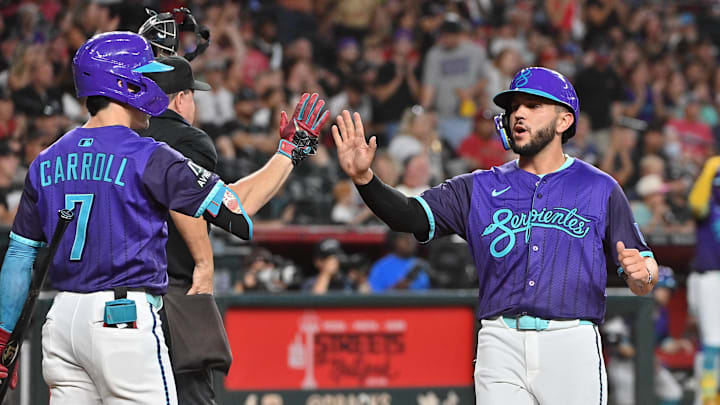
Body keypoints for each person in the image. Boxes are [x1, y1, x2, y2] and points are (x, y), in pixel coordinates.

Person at [0, 31, 329, 404]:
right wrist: (290, 151)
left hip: (61, 322)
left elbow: (20, 257)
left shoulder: (46, 160)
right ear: (125, 83)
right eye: (146, 75)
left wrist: (2, 338)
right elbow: (236, 205)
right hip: (120, 318)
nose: (153, 86)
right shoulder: (148, 155)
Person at [332, 66, 658, 405]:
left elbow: (643, 270)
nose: (518, 113)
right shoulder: (479, 187)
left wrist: (643, 274)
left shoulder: (599, 187)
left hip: (570, 341)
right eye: (514, 106)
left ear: (563, 121)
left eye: (533, 106)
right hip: (499, 342)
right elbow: (408, 215)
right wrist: (365, 179)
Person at [137, 55, 224, 405]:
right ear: (181, 98)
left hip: (112, 293)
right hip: (173, 292)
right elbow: (187, 201)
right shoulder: (189, 140)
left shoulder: (122, 135)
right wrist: (205, 263)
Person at [688, 155, 720, 405]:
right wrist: (710, 167)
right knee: (712, 342)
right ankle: (708, 399)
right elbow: (696, 202)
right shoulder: (708, 207)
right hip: (709, 278)